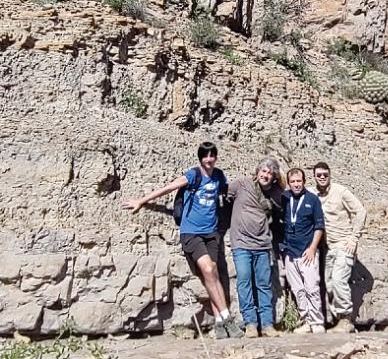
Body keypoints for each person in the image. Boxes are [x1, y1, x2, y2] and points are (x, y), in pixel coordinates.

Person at [122, 142, 242, 339]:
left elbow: (224, 196)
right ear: (200, 158)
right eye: (205, 156)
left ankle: (220, 324)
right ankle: (228, 318)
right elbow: (168, 188)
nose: (209, 160)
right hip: (191, 233)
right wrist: (141, 201)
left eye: (212, 156)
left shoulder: (220, 176)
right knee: (210, 270)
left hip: (211, 233)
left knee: (211, 275)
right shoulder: (193, 175)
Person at [227, 157, 284, 338]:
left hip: (263, 245)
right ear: (257, 171)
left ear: (274, 177)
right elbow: (222, 194)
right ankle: (250, 323)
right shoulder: (241, 184)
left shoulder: (276, 193)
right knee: (244, 281)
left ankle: (267, 324)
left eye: (270, 173)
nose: (265, 175)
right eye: (263, 171)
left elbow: (285, 203)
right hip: (241, 243)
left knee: (264, 284)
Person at [314, 161, 366, 333]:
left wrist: (354, 238)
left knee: (338, 280)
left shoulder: (341, 191)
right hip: (328, 247)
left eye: (325, 175)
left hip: (344, 244)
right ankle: (339, 321)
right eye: (319, 175)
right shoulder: (314, 194)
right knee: (329, 284)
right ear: (315, 176)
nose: (322, 177)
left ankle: (346, 320)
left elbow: (360, 211)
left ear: (330, 175)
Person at [281, 168, 326, 334]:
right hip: (290, 252)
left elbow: (319, 226)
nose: (296, 184)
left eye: (299, 181)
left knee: (311, 288)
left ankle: (317, 322)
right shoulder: (284, 198)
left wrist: (313, 248)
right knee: (297, 289)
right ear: (289, 183)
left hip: (308, 251)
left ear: (304, 181)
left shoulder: (313, 200)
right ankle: (306, 320)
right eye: (292, 182)